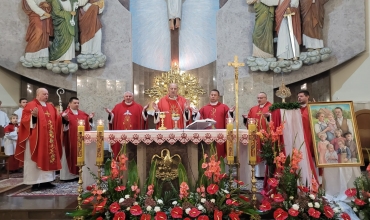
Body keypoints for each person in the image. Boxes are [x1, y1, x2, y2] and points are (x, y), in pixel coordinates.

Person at [15, 88, 62, 190]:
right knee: (34, 161)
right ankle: (35, 183)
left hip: (49, 139)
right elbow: (25, 120)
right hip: (36, 139)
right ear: (37, 94)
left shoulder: (50, 106)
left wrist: (62, 118)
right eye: (44, 94)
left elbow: (56, 120)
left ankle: (47, 181)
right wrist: (33, 117)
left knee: (49, 157)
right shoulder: (31, 105)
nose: (46, 96)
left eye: (47, 94)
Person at [192, 89, 235, 157]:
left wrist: (230, 112)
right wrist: (196, 113)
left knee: (219, 152)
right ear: (209, 96)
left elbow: (229, 119)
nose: (213, 96)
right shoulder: (204, 108)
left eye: (215, 95)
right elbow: (198, 120)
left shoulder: (224, 107)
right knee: (208, 153)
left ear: (218, 97)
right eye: (212, 95)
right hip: (208, 135)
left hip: (220, 135)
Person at [61, 97, 94, 181]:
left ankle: (80, 173)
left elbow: (88, 124)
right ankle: (68, 176)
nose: (77, 104)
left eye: (78, 103)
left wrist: (89, 119)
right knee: (70, 154)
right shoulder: (65, 113)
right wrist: (65, 121)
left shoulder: (82, 113)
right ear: (69, 103)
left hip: (81, 140)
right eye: (75, 103)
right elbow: (62, 127)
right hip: (69, 140)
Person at [105, 91, 146, 157]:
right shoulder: (117, 107)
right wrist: (110, 114)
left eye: (130, 96)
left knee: (133, 152)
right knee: (120, 152)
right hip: (120, 134)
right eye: (126, 96)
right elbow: (112, 119)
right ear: (124, 97)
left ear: (132, 97)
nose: (128, 98)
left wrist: (144, 112)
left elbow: (144, 119)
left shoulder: (138, 107)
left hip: (134, 134)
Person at [244, 92, 272, 177]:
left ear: (266, 98)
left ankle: (267, 173)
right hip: (255, 135)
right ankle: (258, 174)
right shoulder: (253, 109)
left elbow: (275, 119)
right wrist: (245, 119)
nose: (259, 99)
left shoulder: (271, 107)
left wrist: (269, 117)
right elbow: (249, 121)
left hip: (267, 135)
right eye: (258, 98)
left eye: (261, 98)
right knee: (256, 152)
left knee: (266, 151)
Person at [297, 90, 318, 180]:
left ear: (307, 96)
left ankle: (313, 175)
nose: (299, 98)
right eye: (298, 96)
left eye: (301, 96)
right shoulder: (296, 108)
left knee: (311, 154)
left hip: (310, 134)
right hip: (299, 134)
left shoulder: (313, 107)